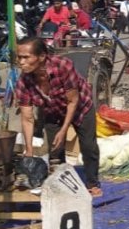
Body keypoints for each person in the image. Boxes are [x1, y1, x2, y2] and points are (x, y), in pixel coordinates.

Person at [15, 38, 102, 197]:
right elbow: (27, 119)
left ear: (41, 57)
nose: (21, 62)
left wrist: (63, 131)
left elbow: (73, 101)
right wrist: (28, 150)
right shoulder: (24, 81)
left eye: (26, 57)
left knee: (89, 147)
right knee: (55, 152)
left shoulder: (63, 66)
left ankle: (92, 182)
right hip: (53, 111)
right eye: (19, 57)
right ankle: (63, 185)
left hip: (80, 107)